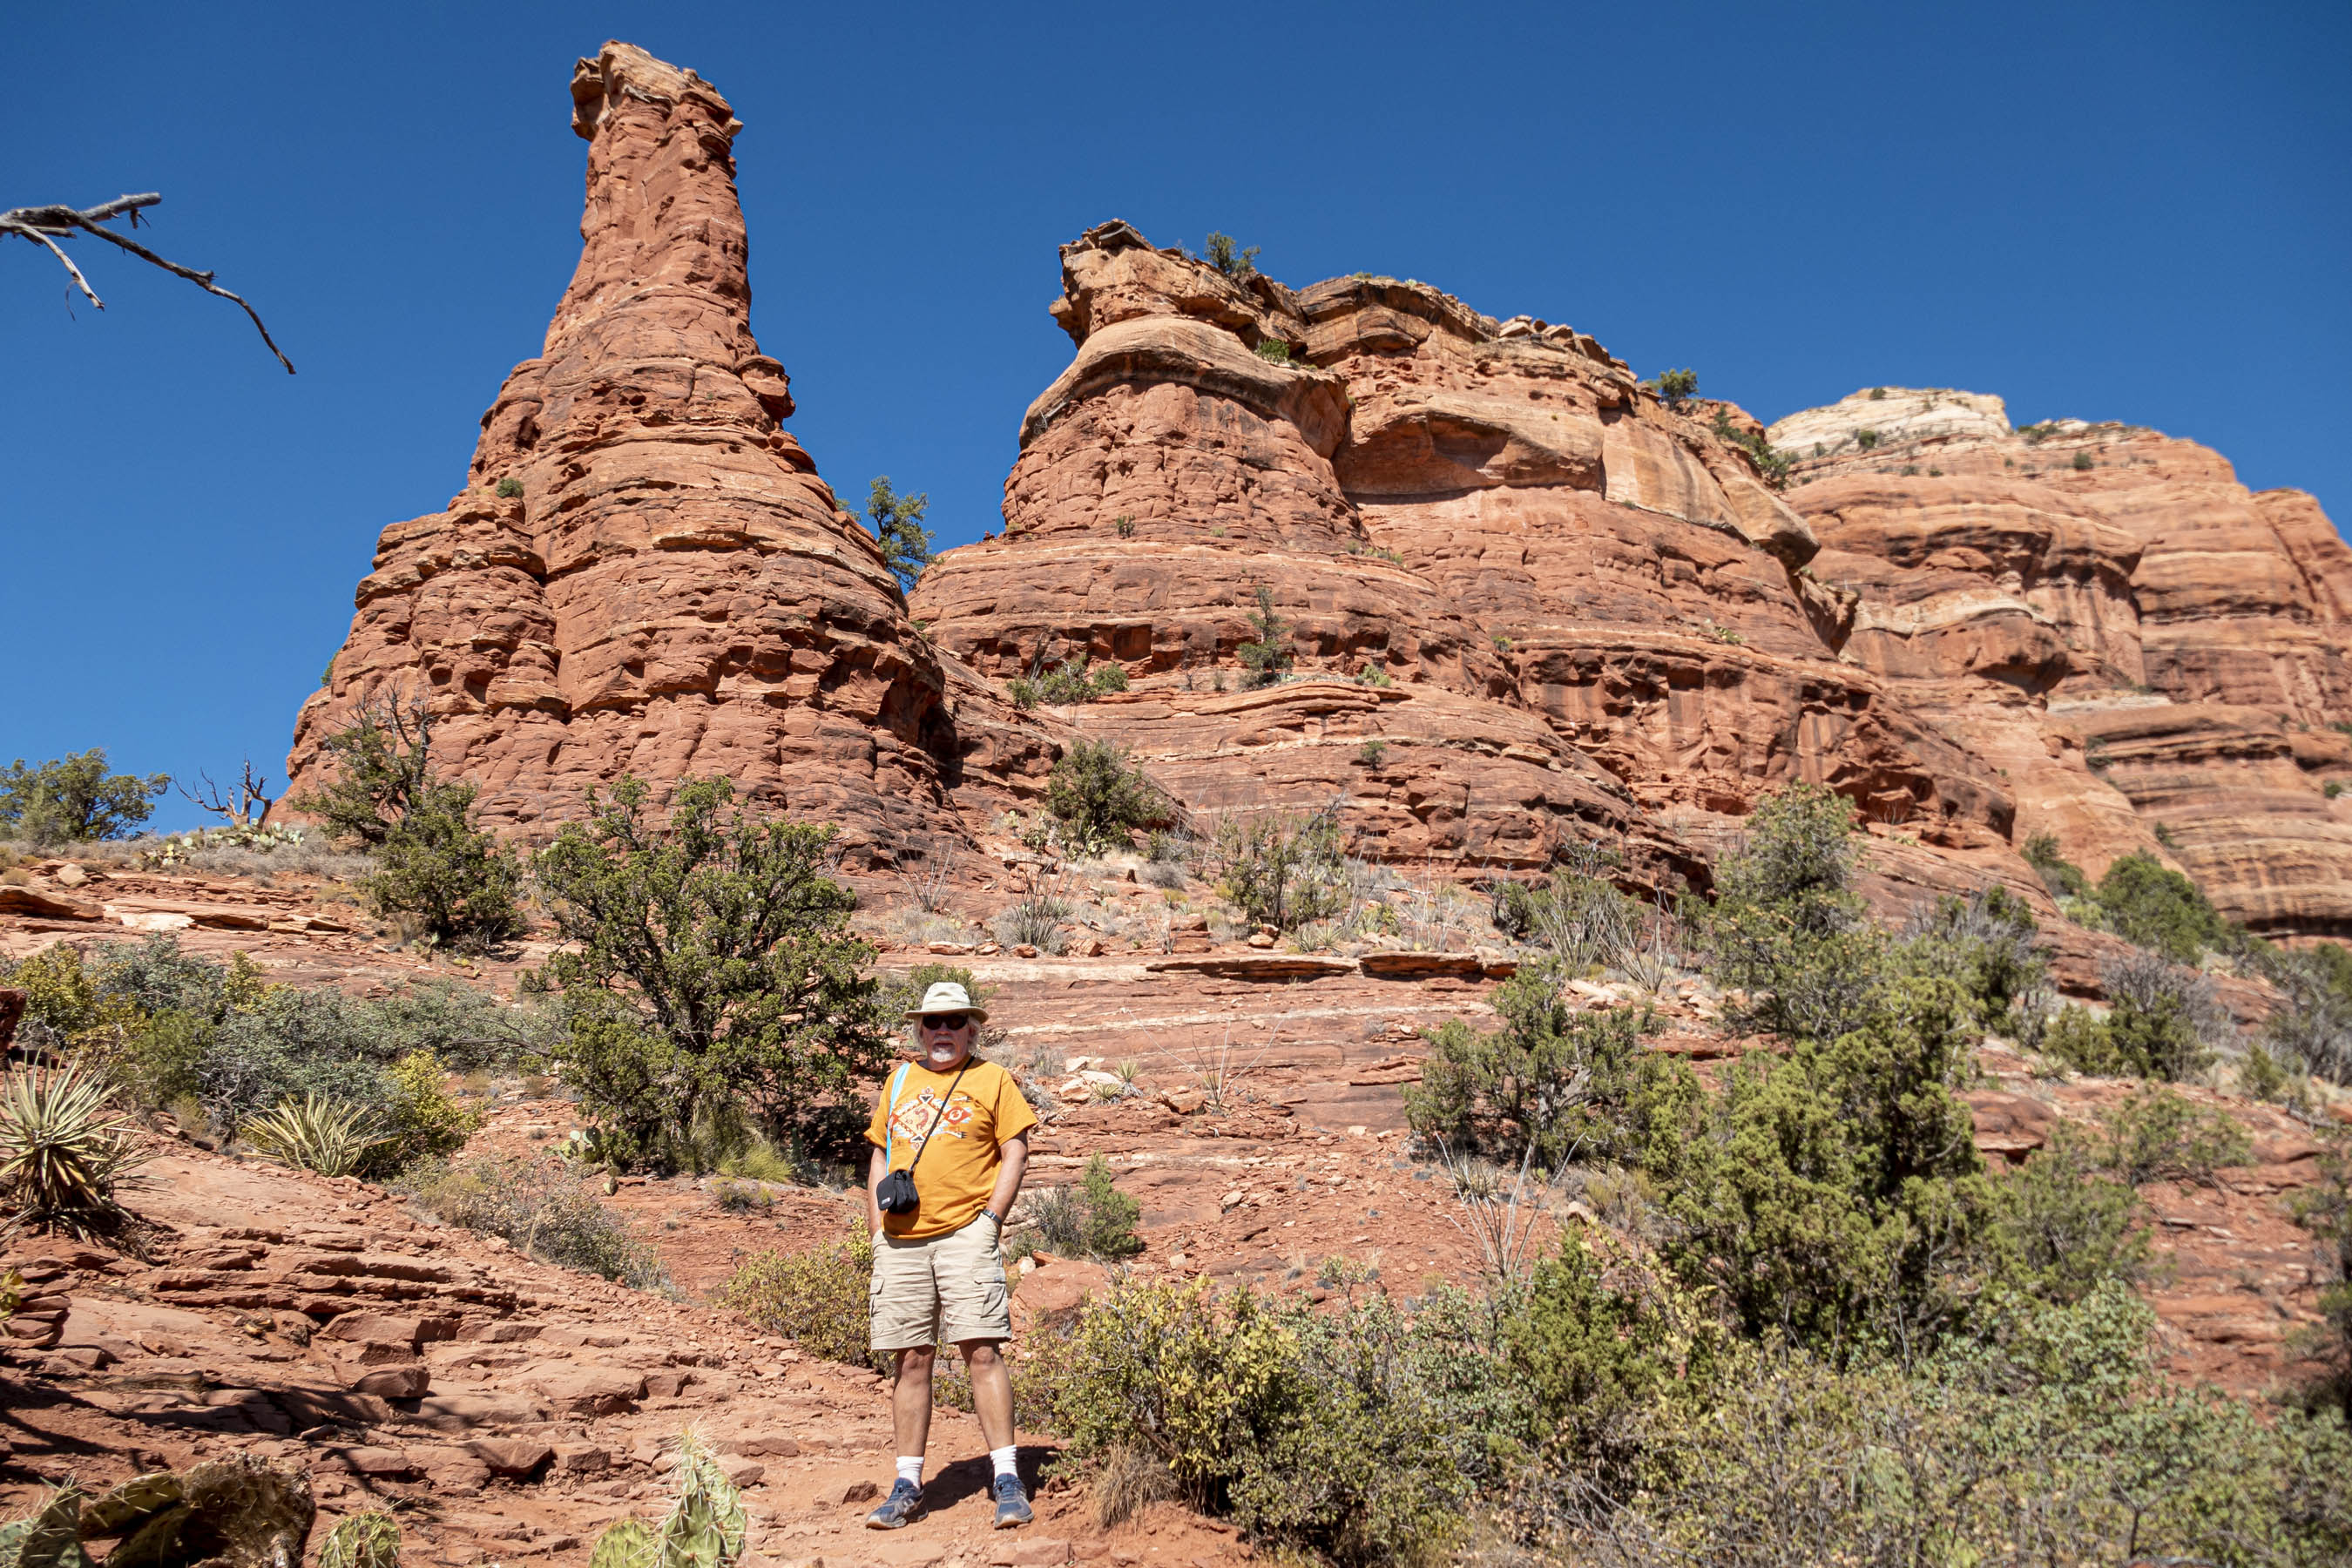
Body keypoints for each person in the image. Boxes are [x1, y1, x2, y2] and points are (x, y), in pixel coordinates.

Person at [863, 981, 1038, 1531]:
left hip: (967, 1234)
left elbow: (1015, 1152)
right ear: (920, 1030)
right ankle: (907, 1485)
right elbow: (879, 1155)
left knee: (981, 1351)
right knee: (911, 1360)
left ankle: (1006, 1478)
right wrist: (876, 1231)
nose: (943, 1031)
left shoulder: (993, 1079)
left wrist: (991, 1221)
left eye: (955, 1021)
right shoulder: (898, 1081)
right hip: (900, 1240)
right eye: (934, 1022)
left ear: (971, 1029)